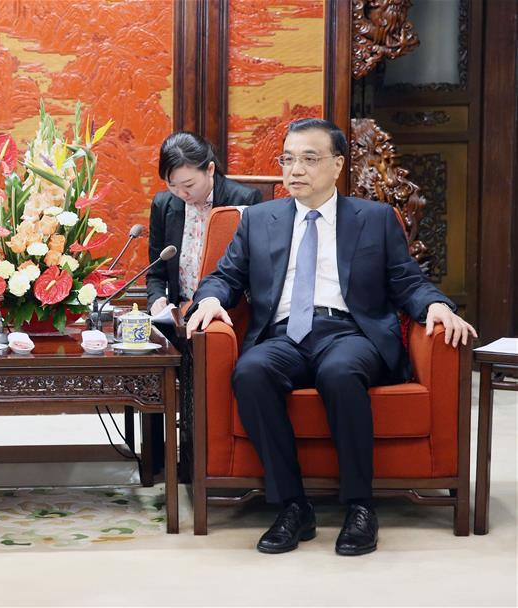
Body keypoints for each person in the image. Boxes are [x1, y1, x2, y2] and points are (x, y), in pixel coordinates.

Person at [186, 118, 476, 556]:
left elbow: (407, 281)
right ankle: (292, 506)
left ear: (337, 164)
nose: (295, 169)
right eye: (288, 159)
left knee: (341, 373)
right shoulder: (258, 220)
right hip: (283, 333)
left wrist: (435, 306)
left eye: (309, 158)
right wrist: (209, 300)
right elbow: (225, 277)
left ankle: (360, 506)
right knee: (251, 372)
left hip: (349, 331)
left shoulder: (374, 219)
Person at [146, 131, 262, 315]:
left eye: (189, 185)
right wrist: (157, 298)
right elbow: (156, 272)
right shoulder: (163, 205)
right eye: (172, 185)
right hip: (179, 315)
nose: (181, 194)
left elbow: (253, 272)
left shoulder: (243, 200)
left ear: (210, 169)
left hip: (224, 313)